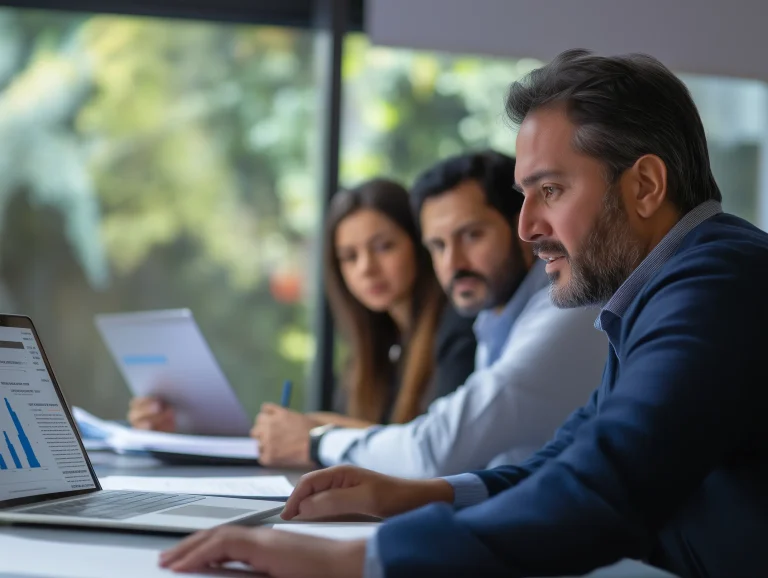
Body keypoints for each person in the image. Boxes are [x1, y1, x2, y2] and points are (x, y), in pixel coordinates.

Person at [159, 49, 768, 578]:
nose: (528, 227)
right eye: (524, 196)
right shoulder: (661, 288)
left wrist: (353, 561)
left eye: (550, 191)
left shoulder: (716, 284)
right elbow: (565, 460)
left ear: (645, 186)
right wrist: (423, 495)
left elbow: (607, 486)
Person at [251, 150, 607, 476]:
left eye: (471, 236)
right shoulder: (491, 321)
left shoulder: (565, 306)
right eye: (438, 245)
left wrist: (317, 439)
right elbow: (482, 471)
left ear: (523, 228)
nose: (453, 263)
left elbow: (436, 451)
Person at [127, 179, 478, 447]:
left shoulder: (457, 330)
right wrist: (183, 428)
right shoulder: (371, 356)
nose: (366, 269)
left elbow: (431, 445)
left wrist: (315, 429)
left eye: (384, 247)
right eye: (349, 257)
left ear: (419, 244)